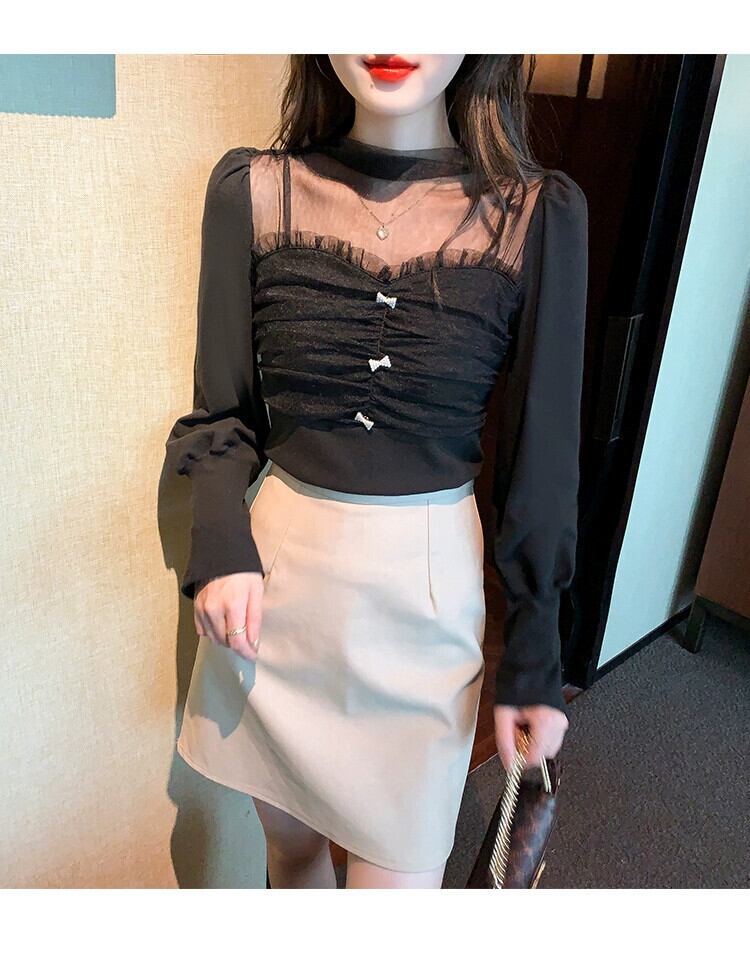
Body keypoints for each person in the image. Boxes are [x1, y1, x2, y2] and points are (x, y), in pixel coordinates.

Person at [164, 53, 588, 889]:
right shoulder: (251, 191)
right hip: (272, 606)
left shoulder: (537, 216)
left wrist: (536, 653)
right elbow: (221, 414)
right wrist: (218, 545)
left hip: (424, 616)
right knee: (291, 856)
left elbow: (544, 462)